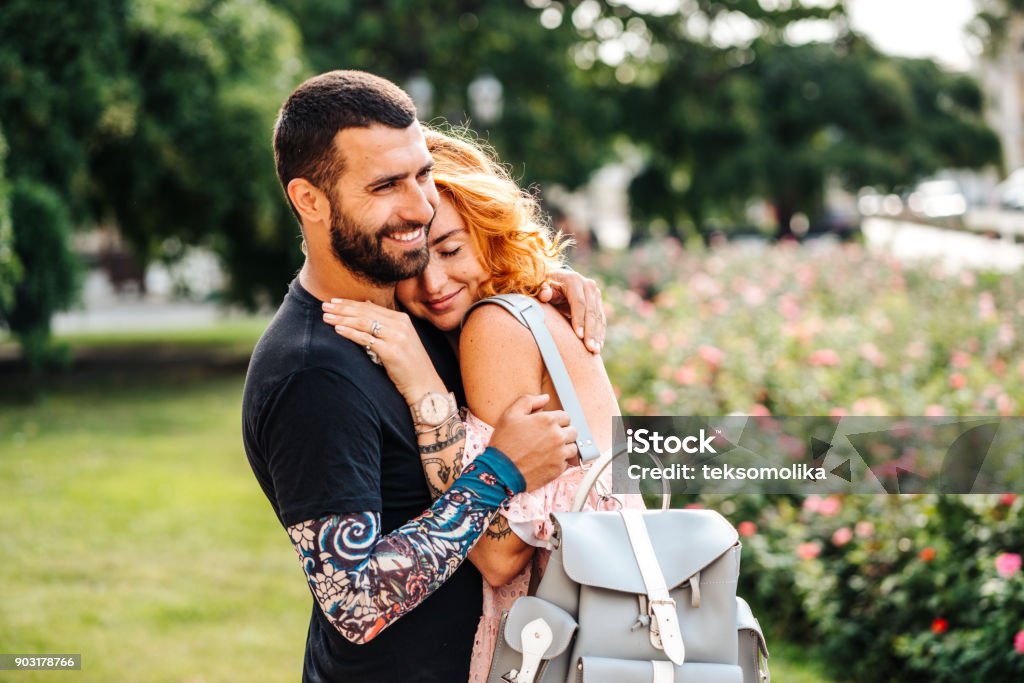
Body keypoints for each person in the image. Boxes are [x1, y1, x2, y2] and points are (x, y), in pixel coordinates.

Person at [241, 71, 608, 683]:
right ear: (310, 200)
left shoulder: (420, 317)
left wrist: (538, 287)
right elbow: (354, 603)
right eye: (386, 185)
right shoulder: (311, 373)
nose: (418, 205)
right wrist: (499, 473)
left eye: (421, 176)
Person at [321, 127, 640, 681]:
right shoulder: (521, 310)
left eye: (450, 249)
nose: (435, 282)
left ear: (488, 232)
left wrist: (426, 392)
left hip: (554, 642)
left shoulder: (492, 327)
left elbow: (498, 558)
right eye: (413, 262)